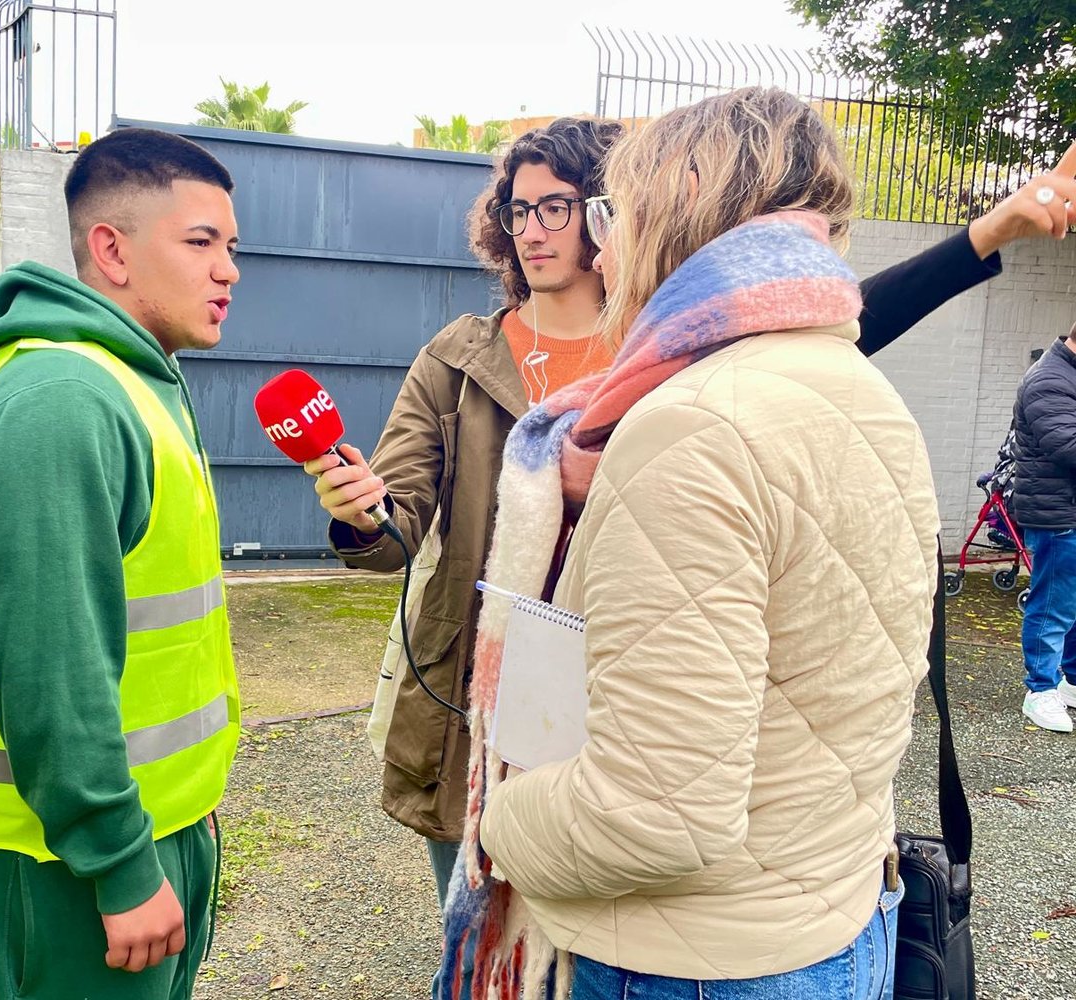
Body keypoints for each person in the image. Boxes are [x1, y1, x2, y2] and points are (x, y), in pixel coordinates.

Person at [305, 116, 1076, 998]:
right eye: (517, 212)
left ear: (622, 214)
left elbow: (834, 310)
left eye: (562, 205)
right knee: (501, 938)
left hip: (657, 749)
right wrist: (365, 516)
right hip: (500, 705)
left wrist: (991, 231)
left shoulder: (689, 351)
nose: (537, 229)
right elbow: (400, 520)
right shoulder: (465, 354)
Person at [465, 85, 939, 1000]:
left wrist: (500, 819)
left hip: (702, 961)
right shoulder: (851, 381)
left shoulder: (691, 426)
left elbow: (653, 815)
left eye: (610, 212)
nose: (605, 243)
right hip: (829, 915)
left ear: (667, 210)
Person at [0, 128, 242, 999]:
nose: (228, 269)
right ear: (111, 249)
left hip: (148, 831)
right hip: (57, 863)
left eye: (231, 247)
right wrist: (121, 865)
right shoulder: (62, 404)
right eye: (200, 242)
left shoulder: (134, 383)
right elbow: (50, 668)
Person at [1013, 318, 1076, 733]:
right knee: (1052, 605)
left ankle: (1068, 681)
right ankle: (1039, 690)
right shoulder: (1050, 380)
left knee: (1071, 605)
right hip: (1059, 515)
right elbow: (1066, 445)